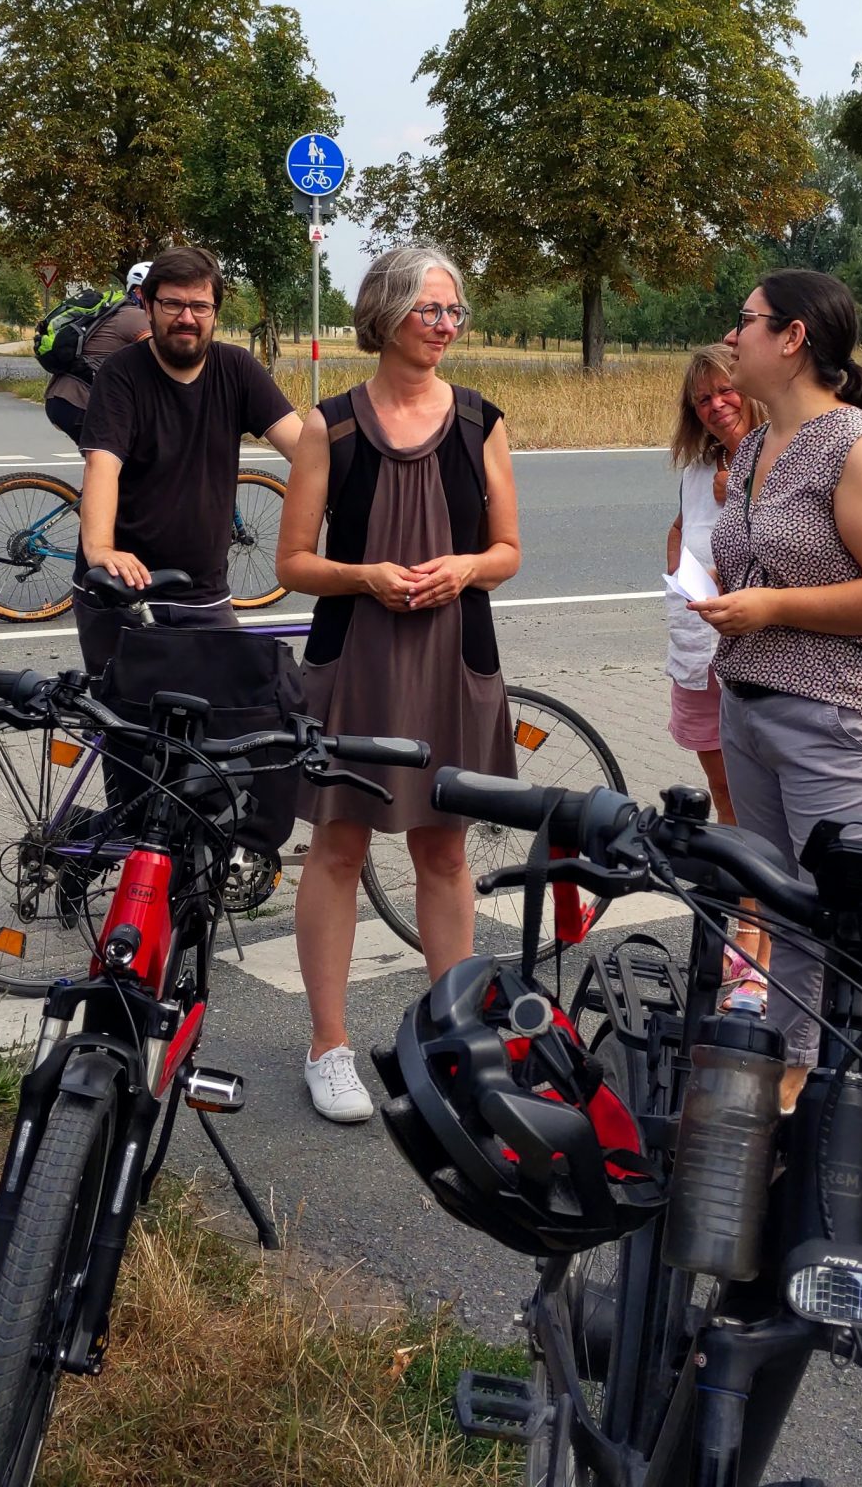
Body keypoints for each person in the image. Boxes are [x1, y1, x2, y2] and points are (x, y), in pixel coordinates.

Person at [694, 269, 862, 1225]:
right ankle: (799, 1097)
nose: (733, 335)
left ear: (793, 337)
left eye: (746, 321)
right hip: (749, 707)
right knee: (791, 919)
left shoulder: (859, 448)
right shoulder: (757, 442)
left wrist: (774, 605)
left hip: (835, 718)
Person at [276, 246, 522, 1123]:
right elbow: (293, 562)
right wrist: (368, 577)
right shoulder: (328, 427)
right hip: (360, 656)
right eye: (432, 311)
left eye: (455, 313)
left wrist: (464, 568)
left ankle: (454, 1041)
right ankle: (329, 1045)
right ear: (385, 314)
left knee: (445, 847)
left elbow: (508, 552)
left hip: (455, 657)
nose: (447, 327)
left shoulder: (482, 422)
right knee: (340, 844)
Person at [75, 245, 303, 672]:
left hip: (205, 594)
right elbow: (103, 464)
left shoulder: (237, 368)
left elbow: (305, 449)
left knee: (225, 719)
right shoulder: (121, 374)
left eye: (200, 306)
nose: (187, 318)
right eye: (173, 304)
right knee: (128, 730)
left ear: (215, 311)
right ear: (147, 304)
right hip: (125, 592)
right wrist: (101, 548)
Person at [665, 342, 760, 825]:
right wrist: (683, 585)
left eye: (726, 390)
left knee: (758, 795)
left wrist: (746, 487)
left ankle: (763, 896)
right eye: (703, 399)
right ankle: (740, 897)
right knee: (722, 789)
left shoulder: (786, 456)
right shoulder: (702, 468)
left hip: (757, 654)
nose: (716, 405)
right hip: (700, 646)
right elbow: (680, 527)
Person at [42, 259, 152, 442]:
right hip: (79, 402)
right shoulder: (136, 317)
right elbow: (161, 359)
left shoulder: (118, 311)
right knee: (131, 454)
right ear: (138, 292)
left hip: (64, 399)